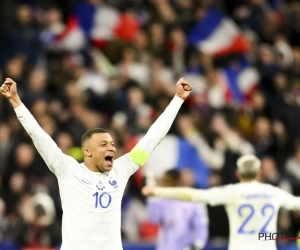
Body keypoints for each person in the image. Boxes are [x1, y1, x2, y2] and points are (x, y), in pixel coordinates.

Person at [0, 77, 192, 250]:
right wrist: (16, 101)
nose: (112, 149)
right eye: (104, 144)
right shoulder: (67, 169)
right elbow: (39, 136)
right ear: (87, 151)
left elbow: (152, 138)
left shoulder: (122, 170)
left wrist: (177, 100)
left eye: (113, 144)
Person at [142, 155, 300, 250]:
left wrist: (157, 191)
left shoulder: (231, 192)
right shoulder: (273, 192)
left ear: (238, 174)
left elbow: (192, 195)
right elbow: (297, 204)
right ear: (259, 173)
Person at [147, 169, 208, 250]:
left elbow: (201, 225)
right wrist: (152, 198)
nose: (166, 184)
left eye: (168, 181)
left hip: (186, 247)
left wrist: (198, 243)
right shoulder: (163, 199)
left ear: (177, 181)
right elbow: (153, 219)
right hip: (165, 247)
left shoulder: (195, 201)